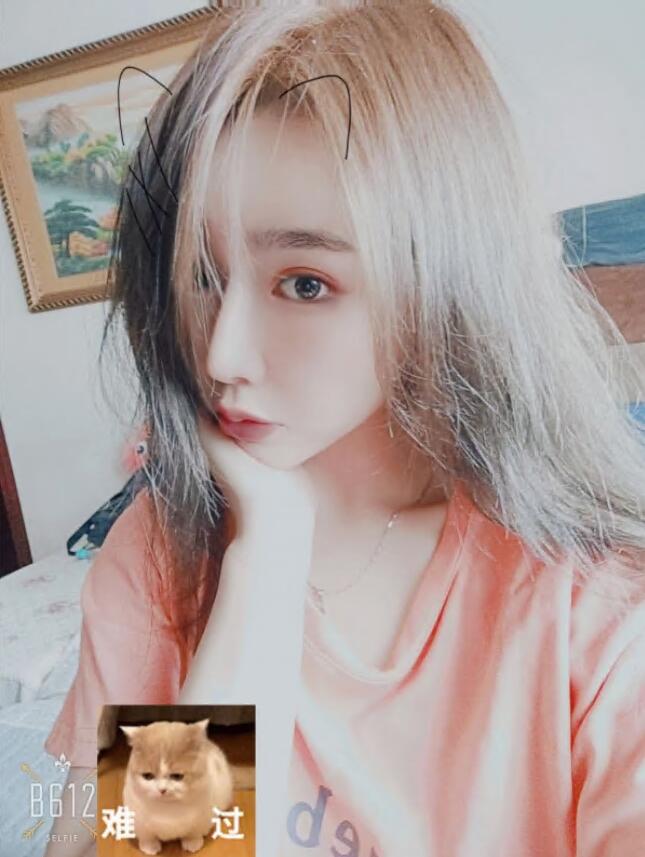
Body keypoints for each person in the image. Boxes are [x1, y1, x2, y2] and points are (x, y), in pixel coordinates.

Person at [43, 3, 645, 856]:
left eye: (304, 283)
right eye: (203, 273)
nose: (222, 353)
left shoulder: (595, 601)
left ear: (444, 281)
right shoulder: (159, 552)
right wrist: (264, 565)